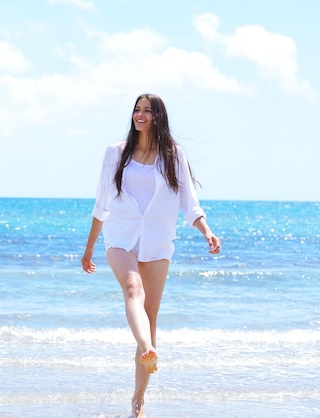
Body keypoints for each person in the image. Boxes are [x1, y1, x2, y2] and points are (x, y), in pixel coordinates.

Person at [81, 93, 220, 418]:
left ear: (158, 117)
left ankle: (138, 401)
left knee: (150, 316)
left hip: (157, 241)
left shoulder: (173, 155)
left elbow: (190, 204)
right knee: (133, 290)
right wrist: (89, 247)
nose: (140, 115)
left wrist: (207, 231)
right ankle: (147, 348)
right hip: (121, 236)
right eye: (137, 110)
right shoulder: (116, 153)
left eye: (147, 111)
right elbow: (101, 204)